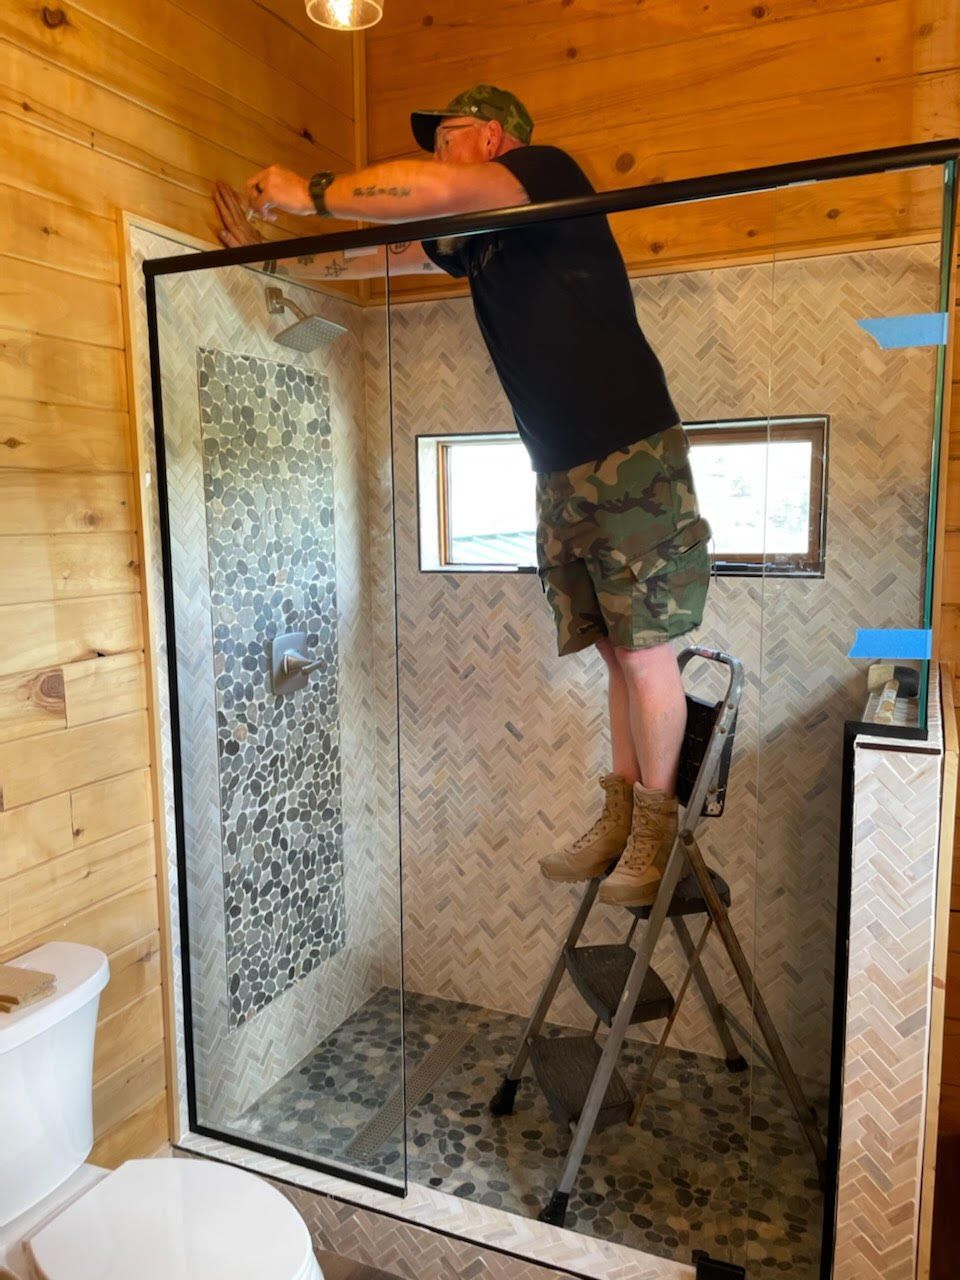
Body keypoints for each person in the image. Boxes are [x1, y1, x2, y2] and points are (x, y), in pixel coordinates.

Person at [214, 85, 712, 908]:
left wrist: (311, 191)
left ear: (489, 137)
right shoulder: (474, 238)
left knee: (648, 651)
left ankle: (656, 833)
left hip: (632, 456)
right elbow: (382, 254)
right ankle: (622, 815)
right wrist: (268, 262)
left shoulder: (542, 174)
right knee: (614, 652)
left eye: (442, 138)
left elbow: (434, 193)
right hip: (559, 471)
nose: (434, 157)